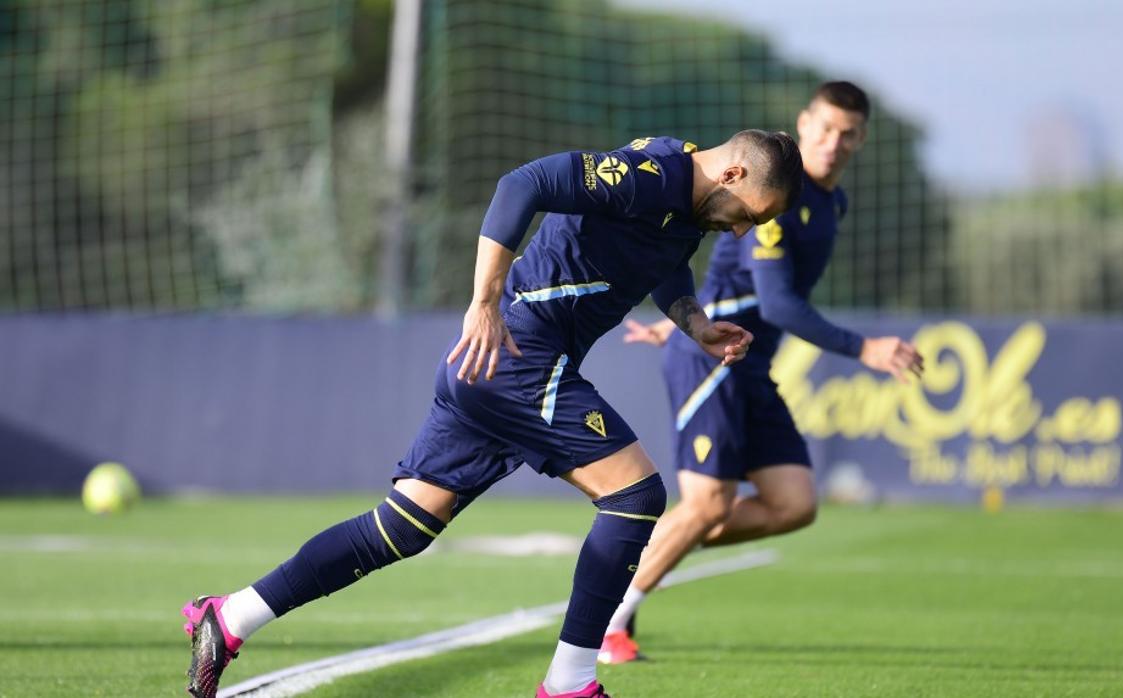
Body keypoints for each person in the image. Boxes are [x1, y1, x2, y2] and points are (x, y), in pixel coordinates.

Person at [180, 129, 804, 698]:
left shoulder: (684, 202)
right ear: (732, 177)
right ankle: (570, 684)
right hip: (516, 352)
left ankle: (230, 618)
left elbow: (665, 259)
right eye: (752, 216)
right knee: (635, 496)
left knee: (400, 529)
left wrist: (695, 325)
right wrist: (484, 302)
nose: (745, 232)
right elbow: (523, 184)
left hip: (496, 366)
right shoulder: (653, 176)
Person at [599, 82, 925, 664]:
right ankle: (610, 620)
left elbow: (757, 299)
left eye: (848, 133)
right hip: (715, 358)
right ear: (804, 125)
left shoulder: (832, 202)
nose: (833, 142)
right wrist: (864, 348)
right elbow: (776, 304)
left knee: (794, 503)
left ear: (862, 139)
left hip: (752, 363)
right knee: (707, 504)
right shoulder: (772, 202)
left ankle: (648, 548)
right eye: (825, 128)